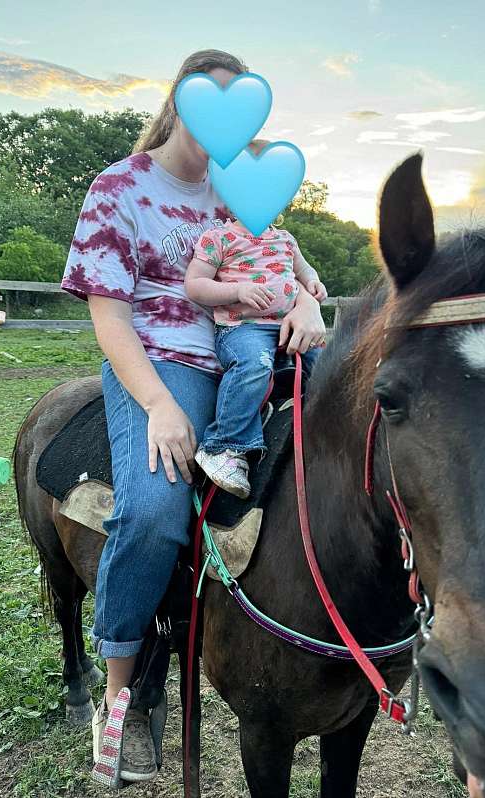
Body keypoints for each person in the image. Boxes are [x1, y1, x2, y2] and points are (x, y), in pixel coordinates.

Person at [60, 50, 326, 783]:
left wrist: (305, 302)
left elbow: (287, 265)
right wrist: (157, 405)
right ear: (174, 104)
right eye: (207, 103)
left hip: (254, 351)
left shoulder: (242, 190)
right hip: (161, 358)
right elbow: (109, 316)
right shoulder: (121, 186)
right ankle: (122, 698)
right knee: (152, 509)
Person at [185, 140, 327, 497]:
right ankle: (224, 446)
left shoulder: (284, 239)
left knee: (325, 363)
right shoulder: (218, 238)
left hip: (287, 325)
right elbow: (195, 285)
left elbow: (303, 269)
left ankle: (330, 429)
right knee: (254, 366)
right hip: (242, 328)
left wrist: (311, 282)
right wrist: (237, 291)